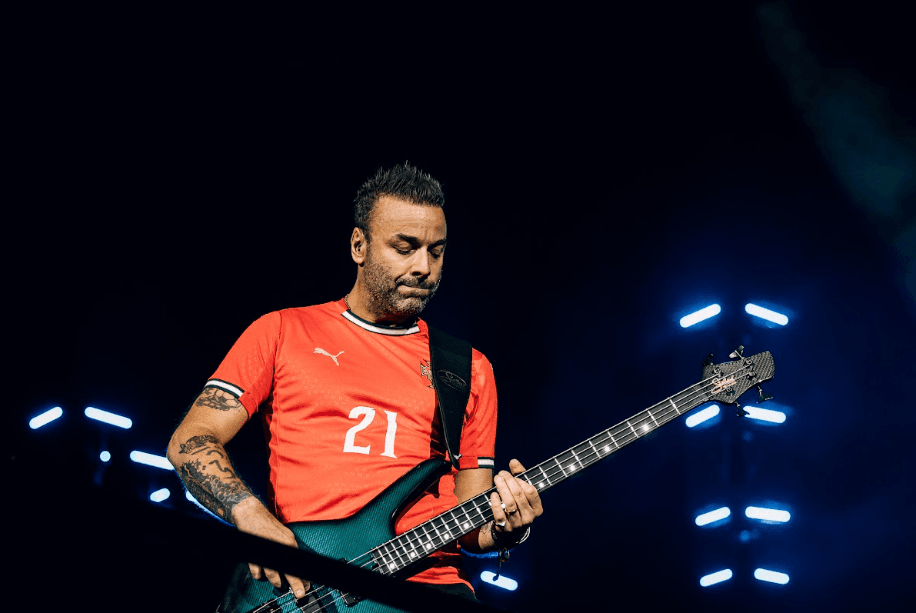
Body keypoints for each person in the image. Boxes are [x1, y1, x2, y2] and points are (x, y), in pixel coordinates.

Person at [166, 162, 542, 609]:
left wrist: (507, 527)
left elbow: (472, 525)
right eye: (405, 248)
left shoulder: (469, 368)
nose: (423, 267)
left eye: (436, 252)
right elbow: (190, 440)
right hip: (308, 589)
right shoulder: (282, 331)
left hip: (432, 587)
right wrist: (251, 517)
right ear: (358, 246)